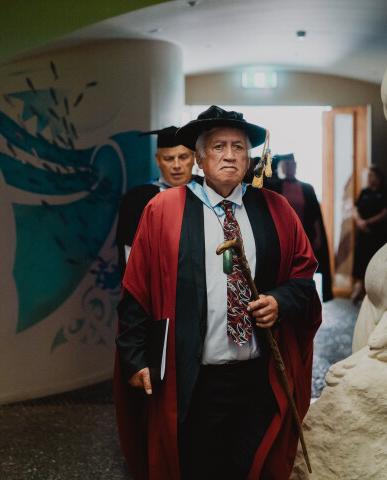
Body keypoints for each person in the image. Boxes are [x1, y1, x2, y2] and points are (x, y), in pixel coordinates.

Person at [114, 105, 322, 480]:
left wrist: (280, 302)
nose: (229, 155)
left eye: (238, 147)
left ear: (250, 157)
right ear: (199, 158)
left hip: (258, 377)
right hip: (193, 380)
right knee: (199, 469)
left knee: (252, 467)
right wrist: (134, 357)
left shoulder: (276, 209)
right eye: (218, 147)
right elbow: (137, 289)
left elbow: (303, 280)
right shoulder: (164, 210)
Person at [115, 126, 196, 279]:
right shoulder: (137, 199)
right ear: (158, 160)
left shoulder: (208, 191)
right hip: (157, 285)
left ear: (194, 157)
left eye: (183, 157)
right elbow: (130, 254)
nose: (176, 165)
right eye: (168, 159)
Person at [271, 153, 334, 301]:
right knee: (284, 271)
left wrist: (318, 236)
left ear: (296, 167)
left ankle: (304, 300)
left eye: (291, 165)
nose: (289, 168)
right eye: (286, 165)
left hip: (304, 235)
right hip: (282, 236)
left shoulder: (307, 188)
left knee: (303, 270)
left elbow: (315, 215)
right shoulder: (275, 186)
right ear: (281, 168)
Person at [350, 166, 387, 304]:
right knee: (361, 260)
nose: (369, 178)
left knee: (376, 261)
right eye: (368, 175)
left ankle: (374, 293)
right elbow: (355, 208)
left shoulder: (385, 191)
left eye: (372, 175)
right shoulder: (365, 192)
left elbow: (385, 212)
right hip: (363, 234)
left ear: (378, 177)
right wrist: (359, 221)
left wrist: (368, 222)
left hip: (378, 234)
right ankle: (360, 288)